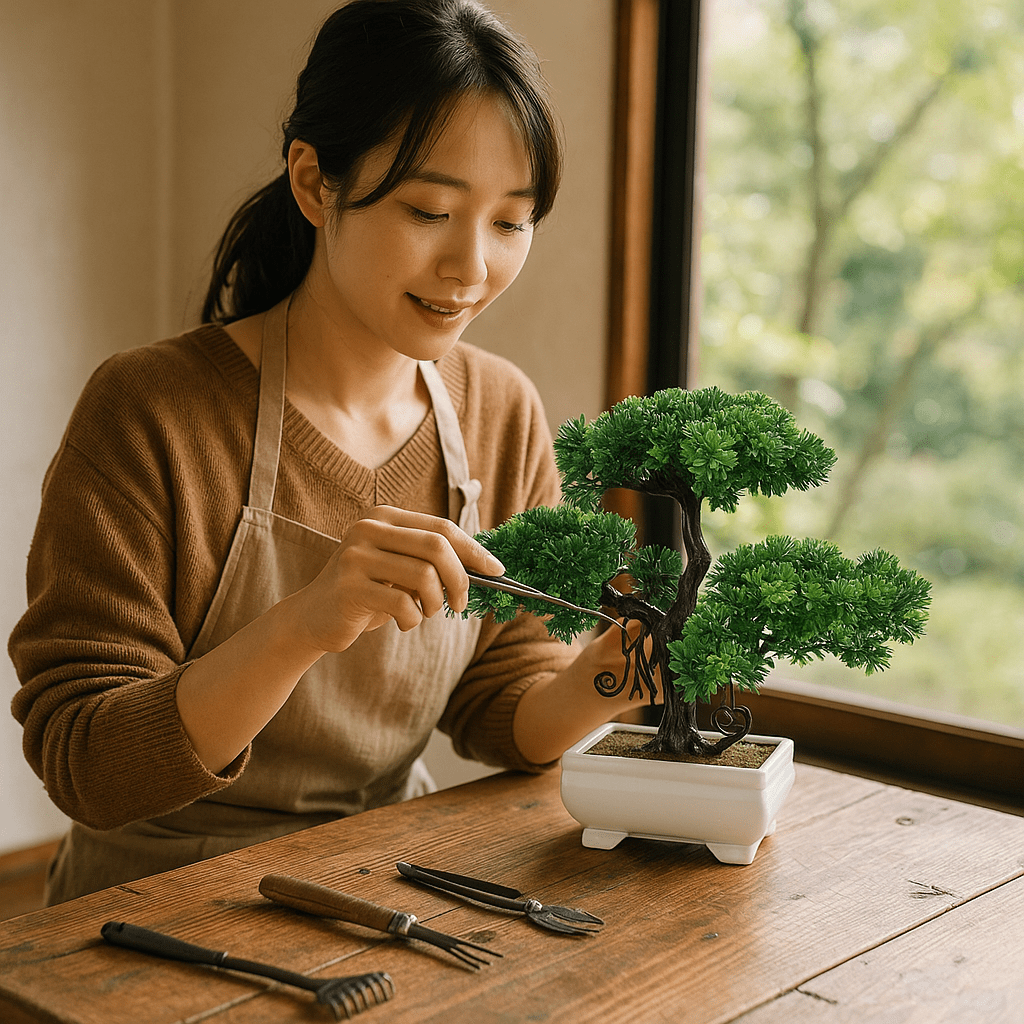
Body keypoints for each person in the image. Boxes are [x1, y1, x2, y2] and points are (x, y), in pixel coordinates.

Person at [9, 0, 642, 905]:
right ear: (314, 183)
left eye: (511, 222)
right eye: (429, 209)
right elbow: (88, 765)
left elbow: (502, 707)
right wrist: (305, 622)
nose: (471, 268)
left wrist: (620, 670)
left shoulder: (501, 411)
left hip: (386, 887)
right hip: (153, 910)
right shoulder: (151, 409)